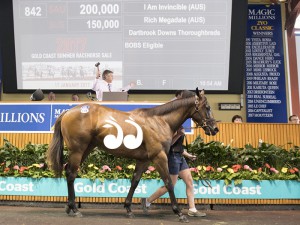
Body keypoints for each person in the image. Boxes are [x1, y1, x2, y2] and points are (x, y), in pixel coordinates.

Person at [141, 126, 206, 217]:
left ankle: (192, 209)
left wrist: (189, 156)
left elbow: (179, 148)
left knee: (189, 182)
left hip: (180, 157)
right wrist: (179, 134)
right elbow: (167, 144)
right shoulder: (169, 128)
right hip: (172, 158)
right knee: (170, 185)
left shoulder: (180, 127)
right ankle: (147, 201)